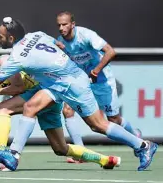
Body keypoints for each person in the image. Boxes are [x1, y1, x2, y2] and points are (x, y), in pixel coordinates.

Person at [0, 17, 157, 171]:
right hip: (55, 84)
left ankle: (142, 145)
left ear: (11, 38)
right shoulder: (37, 34)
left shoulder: (15, 58)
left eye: (1, 37)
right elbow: (58, 44)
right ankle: (13, 155)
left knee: (98, 125)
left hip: (71, 83)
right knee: (31, 108)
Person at [0, 39, 63, 171]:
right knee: (61, 149)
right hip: (36, 100)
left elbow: (19, 87)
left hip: (43, 93)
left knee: (2, 108)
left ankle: (0, 157)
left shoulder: (3, 61)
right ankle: (100, 159)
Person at [56, 11, 142, 163]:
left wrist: (96, 71)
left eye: (65, 24)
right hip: (82, 82)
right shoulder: (60, 42)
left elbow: (110, 52)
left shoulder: (86, 35)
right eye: (59, 25)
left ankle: (135, 135)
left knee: (113, 119)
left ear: (72, 24)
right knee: (67, 110)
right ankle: (81, 153)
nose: (61, 28)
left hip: (102, 80)